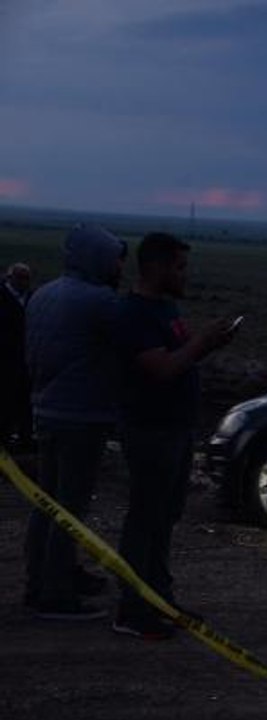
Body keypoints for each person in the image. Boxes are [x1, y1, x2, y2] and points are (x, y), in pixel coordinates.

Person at [112, 232, 237, 640]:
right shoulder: (134, 315)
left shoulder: (165, 309)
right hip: (151, 430)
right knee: (145, 519)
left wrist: (206, 345)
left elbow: (179, 360)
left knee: (163, 518)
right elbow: (161, 369)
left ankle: (159, 598)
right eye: (180, 267)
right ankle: (132, 608)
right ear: (156, 268)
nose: (186, 275)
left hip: (174, 430)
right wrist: (202, 343)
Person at [24, 226, 127, 621]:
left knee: (46, 504)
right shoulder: (100, 302)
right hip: (82, 417)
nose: (120, 267)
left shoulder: (44, 294)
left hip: (45, 410)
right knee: (70, 508)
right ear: (97, 257)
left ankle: (43, 579)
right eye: (116, 258)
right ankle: (56, 595)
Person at [1, 262, 33, 450]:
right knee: (5, 399)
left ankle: (25, 438)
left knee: (24, 400)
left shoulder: (31, 299)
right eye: (19, 277)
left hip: (24, 358)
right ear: (9, 277)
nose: (23, 282)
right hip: (5, 358)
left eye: (26, 278)